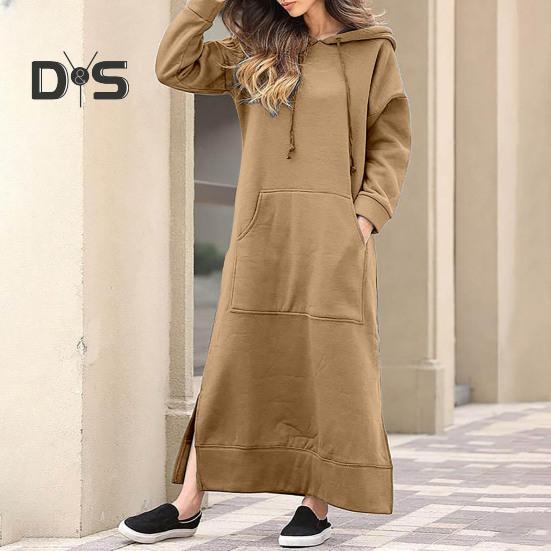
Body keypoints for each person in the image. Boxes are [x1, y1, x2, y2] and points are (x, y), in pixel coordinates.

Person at [118, 0, 411, 546]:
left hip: (333, 238)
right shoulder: (255, 48)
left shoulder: (371, 50)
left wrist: (366, 216)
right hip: (262, 233)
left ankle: (315, 505)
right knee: (233, 360)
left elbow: (390, 139)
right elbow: (174, 66)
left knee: (328, 363)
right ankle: (188, 503)